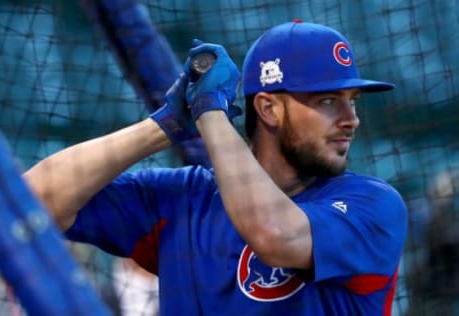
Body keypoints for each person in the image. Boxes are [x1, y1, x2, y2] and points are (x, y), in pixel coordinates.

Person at [24, 20, 408, 315]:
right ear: (268, 109)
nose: (351, 119)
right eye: (328, 101)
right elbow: (29, 204)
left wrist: (209, 111)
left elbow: (274, 234)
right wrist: (164, 125)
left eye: (352, 100)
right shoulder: (183, 198)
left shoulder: (372, 205)